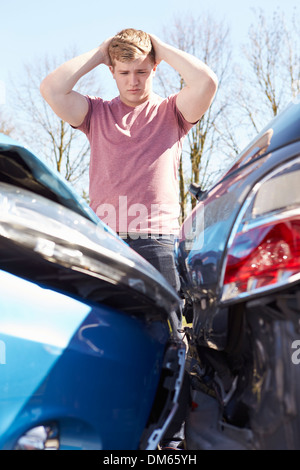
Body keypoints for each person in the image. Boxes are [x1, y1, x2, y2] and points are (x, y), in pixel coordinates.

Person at [40, 28, 218, 449]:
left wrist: (159, 45)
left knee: (169, 345)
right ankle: (110, 437)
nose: (134, 81)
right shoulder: (96, 114)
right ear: (112, 73)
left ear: (155, 68)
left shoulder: (174, 112)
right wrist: (99, 53)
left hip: (156, 242)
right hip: (106, 245)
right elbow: (52, 87)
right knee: (100, 339)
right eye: (124, 73)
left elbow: (206, 82)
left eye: (142, 71)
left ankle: (170, 443)